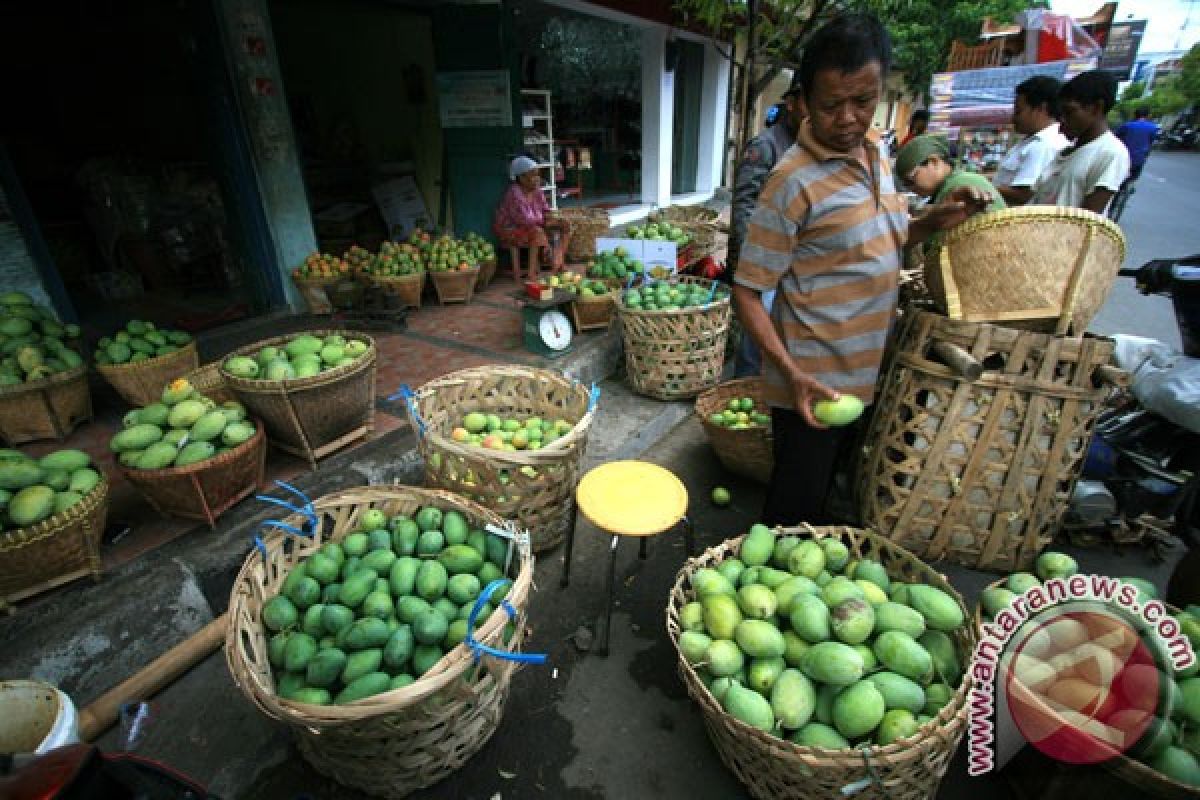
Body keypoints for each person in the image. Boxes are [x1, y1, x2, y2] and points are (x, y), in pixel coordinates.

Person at [734, 12, 994, 527]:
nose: (850, 118)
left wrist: (937, 218)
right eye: (832, 105)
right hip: (812, 384)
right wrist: (791, 374)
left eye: (864, 101)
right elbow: (747, 292)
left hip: (868, 371)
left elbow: (888, 235)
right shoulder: (790, 183)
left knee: (833, 502)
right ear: (803, 101)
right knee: (793, 511)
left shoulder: (876, 154)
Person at [729, 76, 806, 377]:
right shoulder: (766, 146)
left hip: (793, 261)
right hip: (762, 262)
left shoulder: (806, 146)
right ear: (792, 104)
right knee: (755, 337)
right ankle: (743, 391)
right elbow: (744, 205)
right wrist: (756, 261)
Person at [1030, 70, 1130, 215]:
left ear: (1097, 108)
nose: (1062, 121)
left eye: (1069, 112)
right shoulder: (1069, 150)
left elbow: (1088, 219)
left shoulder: (1111, 152)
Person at [993, 76, 1070, 206]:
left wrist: (981, 186)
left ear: (1041, 108)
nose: (1013, 118)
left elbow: (1023, 194)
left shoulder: (1043, 145)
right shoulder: (1032, 141)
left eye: (1018, 111)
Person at [493, 156, 569, 281]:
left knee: (565, 225)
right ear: (522, 178)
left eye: (537, 175)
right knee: (537, 232)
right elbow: (524, 221)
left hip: (533, 225)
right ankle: (531, 274)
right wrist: (545, 223)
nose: (537, 179)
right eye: (533, 176)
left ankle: (559, 262)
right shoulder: (514, 193)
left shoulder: (537, 191)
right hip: (510, 229)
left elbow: (545, 209)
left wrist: (551, 218)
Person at [1115, 107, 1160, 183]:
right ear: (1148, 115)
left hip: (1123, 157)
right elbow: (1151, 142)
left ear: (1135, 115)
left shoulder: (1127, 126)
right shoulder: (1153, 127)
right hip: (1139, 158)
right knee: (1133, 178)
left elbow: (1116, 138)